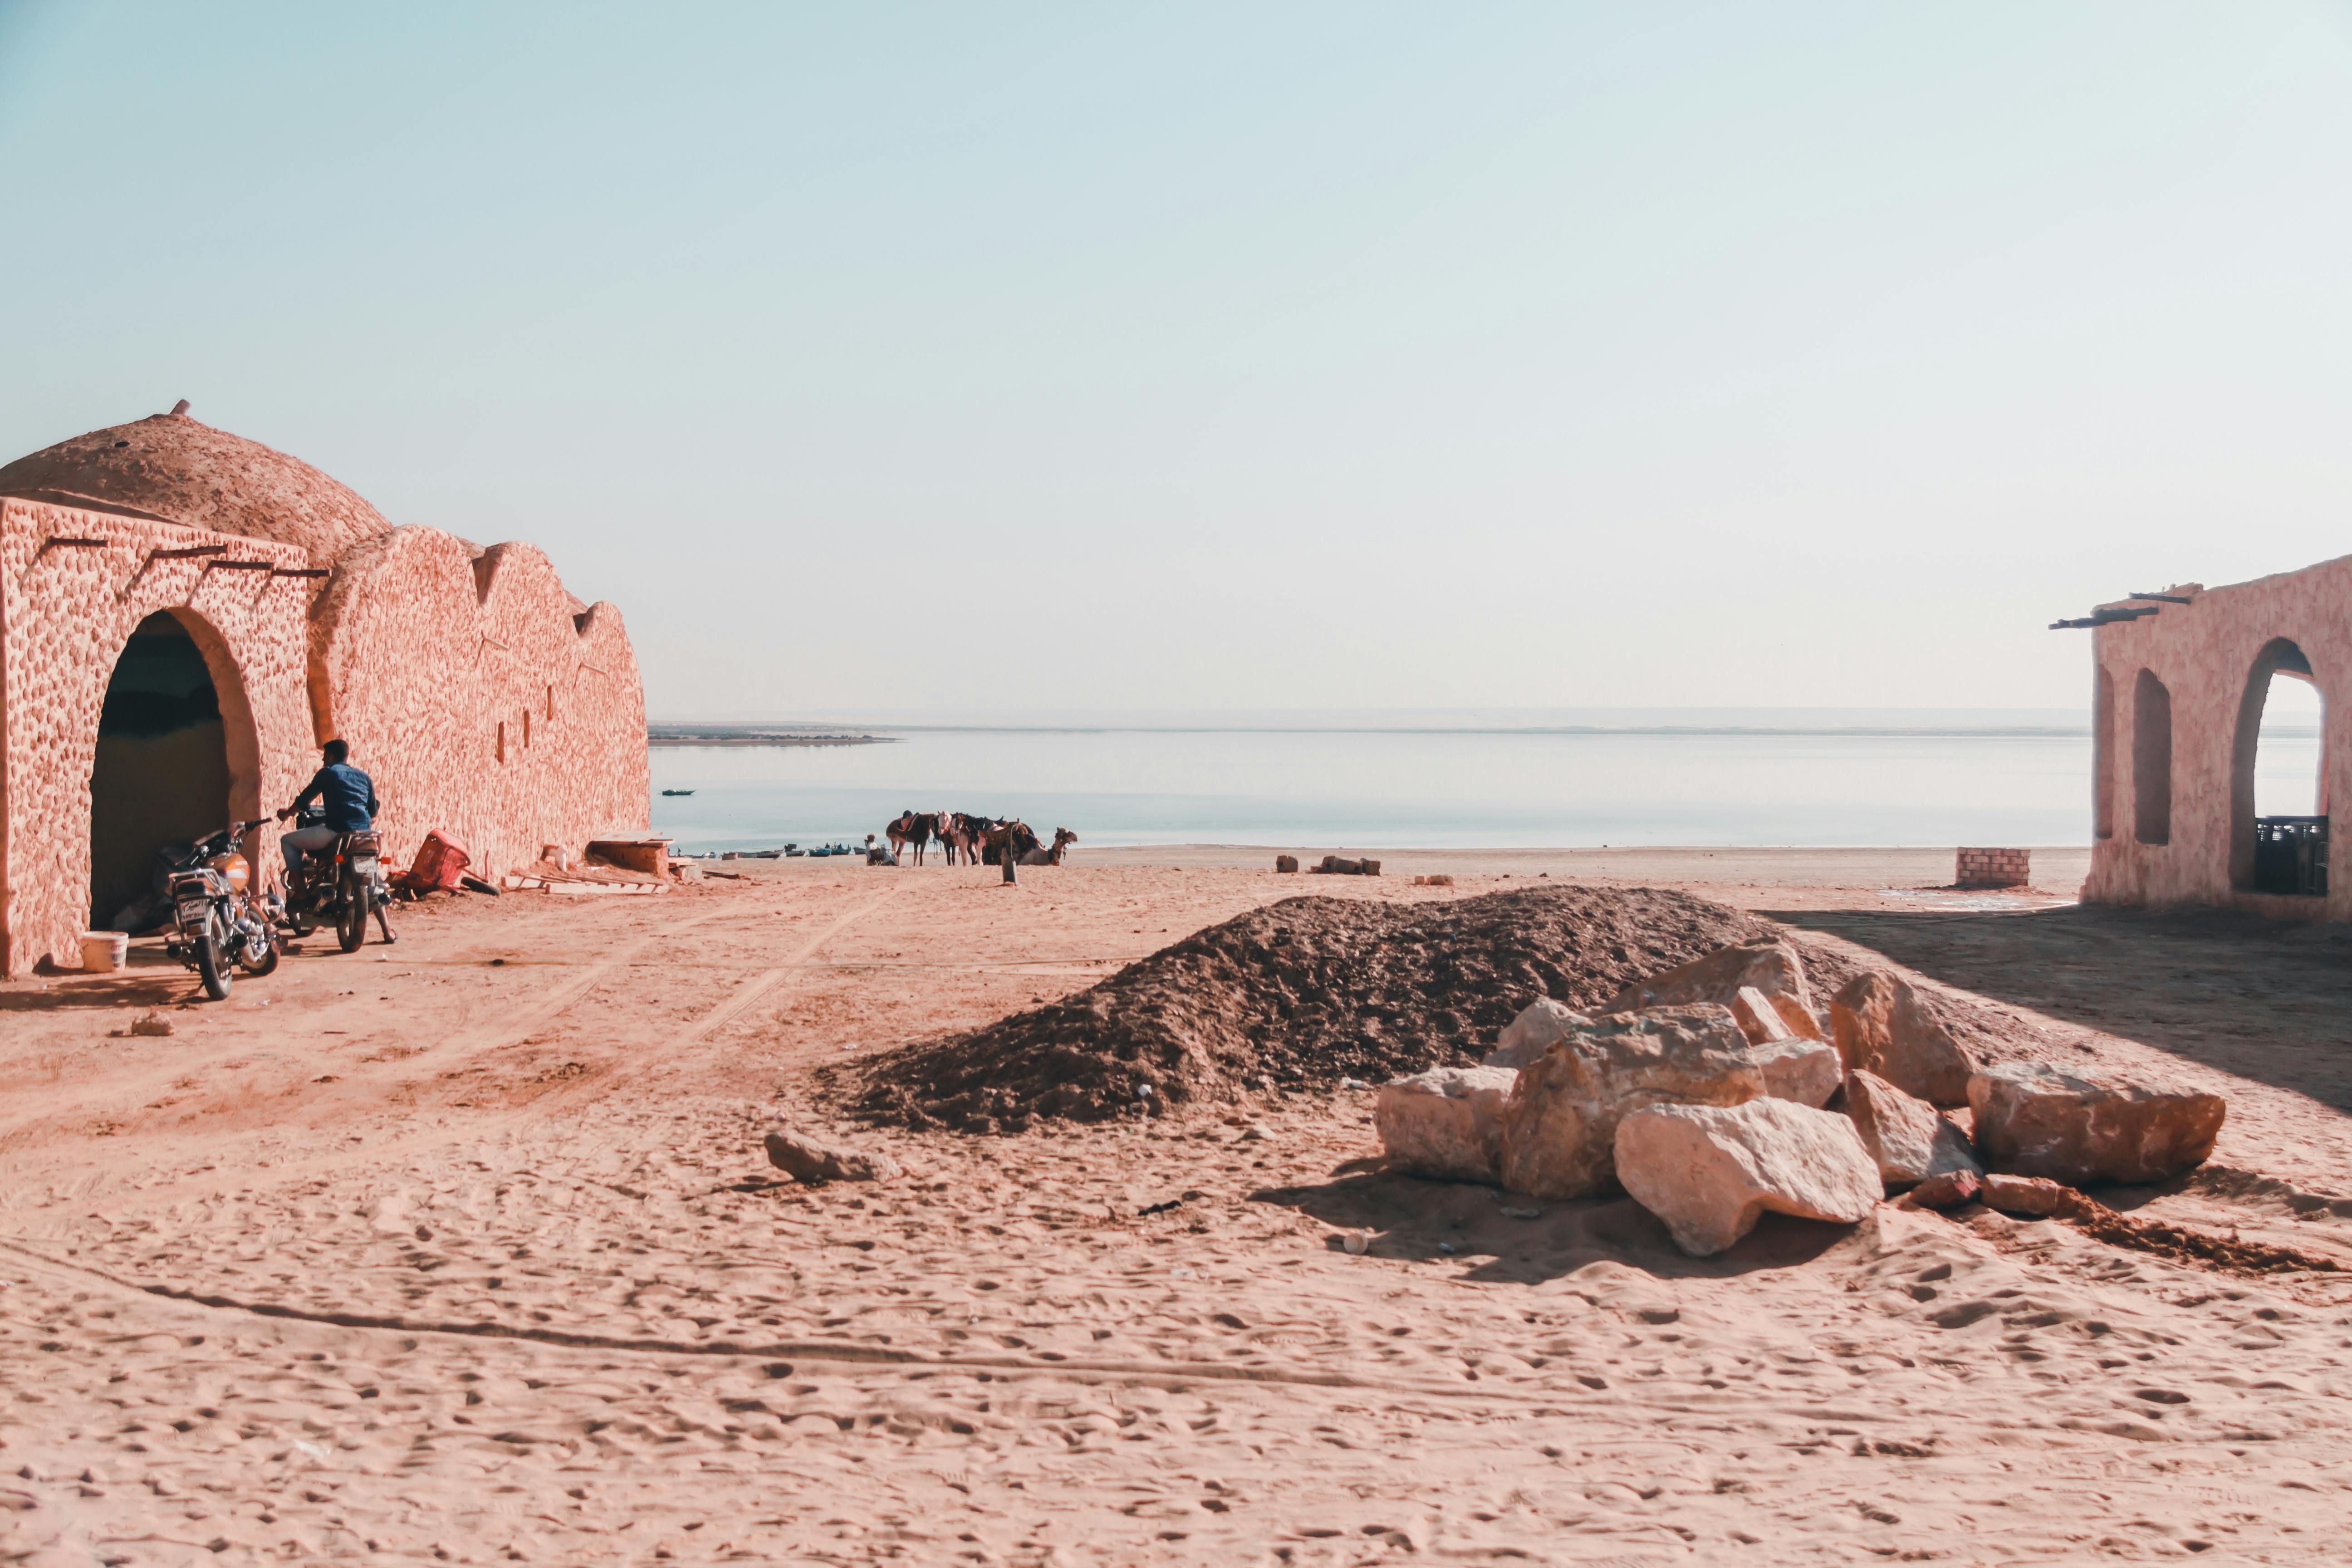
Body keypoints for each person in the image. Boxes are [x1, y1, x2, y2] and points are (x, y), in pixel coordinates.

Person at [277, 738, 379, 891]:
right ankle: (381, 912)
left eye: (325, 756)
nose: (323, 759)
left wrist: (288, 814)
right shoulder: (364, 777)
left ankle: (300, 891)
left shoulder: (328, 773)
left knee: (287, 841)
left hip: (336, 831)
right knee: (371, 881)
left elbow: (305, 800)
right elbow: (373, 811)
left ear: (331, 756)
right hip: (364, 833)